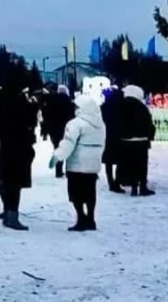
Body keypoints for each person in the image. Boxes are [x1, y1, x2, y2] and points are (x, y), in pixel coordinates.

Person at [50, 95, 106, 231]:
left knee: (76, 194)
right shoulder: (100, 124)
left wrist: (57, 155)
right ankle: (91, 219)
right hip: (93, 164)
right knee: (90, 193)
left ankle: (81, 218)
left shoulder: (75, 123)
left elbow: (69, 142)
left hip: (77, 164)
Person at [0, 73, 37, 230]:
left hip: (6, 145)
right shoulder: (19, 102)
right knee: (15, 183)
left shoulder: (1, 100)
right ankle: (12, 215)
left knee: (6, 180)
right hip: (19, 145)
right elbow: (29, 120)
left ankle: (7, 210)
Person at [43, 85, 76, 179]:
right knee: (68, 148)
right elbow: (72, 115)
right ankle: (68, 169)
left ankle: (58, 170)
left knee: (57, 148)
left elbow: (47, 114)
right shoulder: (69, 101)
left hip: (54, 129)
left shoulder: (52, 101)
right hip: (66, 128)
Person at [101, 86, 124, 193]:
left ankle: (111, 182)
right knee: (121, 160)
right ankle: (117, 181)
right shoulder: (122, 106)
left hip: (107, 135)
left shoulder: (104, 107)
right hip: (120, 135)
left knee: (109, 161)